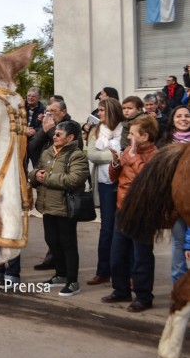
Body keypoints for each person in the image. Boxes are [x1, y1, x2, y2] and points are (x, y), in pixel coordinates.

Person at [102, 115, 160, 312]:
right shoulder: (128, 150)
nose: (128, 137)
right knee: (117, 255)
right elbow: (114, 178)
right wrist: (115, 163)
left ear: (145, 136)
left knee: (141, 257)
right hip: (122, 208)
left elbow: (147, 180)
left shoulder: (156, 156)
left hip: (142, 212)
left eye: (133, 134)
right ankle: (121, 290)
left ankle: (144, 297)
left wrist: (134, 158)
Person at [28, 120, 90, 297]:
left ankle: (72, 281)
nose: (54, 136)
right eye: (54, 133)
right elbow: (35, 171)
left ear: (70, 138)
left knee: (68, 245)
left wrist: (46, 178)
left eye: (58, 134)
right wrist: (35, 175)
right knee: (52, 241)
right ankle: (61, 275)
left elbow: (73, 180)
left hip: (65, 207)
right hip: (47, 206)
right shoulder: (48, 152)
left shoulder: (77, 156)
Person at [84, 97, 123, 286]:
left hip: (123, 183)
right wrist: (116, 156)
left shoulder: (124, 128)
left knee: (122, 229)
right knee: (107, 228)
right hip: (105, 183)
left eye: (101, 110)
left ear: (111, 111)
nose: (98, 113)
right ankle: (103, 271)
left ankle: (123, 273)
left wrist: (116, 156)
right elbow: (92, 154)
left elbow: (129, 153)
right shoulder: (95, 130)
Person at [160, 105, 190, 283]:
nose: (183, 119)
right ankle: (178, 283)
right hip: (175, 202)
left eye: (187, 116)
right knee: (178, 243)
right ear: (172, 119)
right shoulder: (165, 144)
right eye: (179, 116)